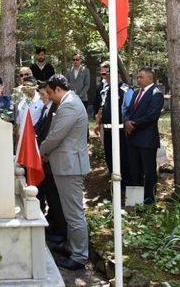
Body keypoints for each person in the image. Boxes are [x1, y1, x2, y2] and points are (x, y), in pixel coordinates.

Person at [40, 74, 90, 270]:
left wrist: (41, 151)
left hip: (70, 166)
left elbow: (55, 136)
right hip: (65, 164)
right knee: (70, 212)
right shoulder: (69, 102)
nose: (50, 97)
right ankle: (72, 246)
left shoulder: (69, 105)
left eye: (51, 93)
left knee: (74, 213)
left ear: (59, 89)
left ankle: (79, 256)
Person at [124, 67, 164, 205]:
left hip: (147, 140)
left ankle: (148, 201)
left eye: (141, 77)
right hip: (133, 139)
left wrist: (133, 124)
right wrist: (126, 121)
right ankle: (134, 202)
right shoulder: (136, 93)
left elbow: (151, 116)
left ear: (149, 78)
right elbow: (128, 110)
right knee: (134, 171)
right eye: (137, 76)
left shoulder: (156, 94)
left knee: (149, 172)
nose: (138, 79)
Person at [35, 82, 67, 245]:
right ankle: (55, 226)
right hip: (46, 159)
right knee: (51, 196)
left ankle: (62, 232)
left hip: (52, 159)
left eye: (45, 94)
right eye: (41, 94)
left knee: (57, 198)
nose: (42, 97)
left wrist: (44, 152)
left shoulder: (58, 108)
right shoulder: (46, 109)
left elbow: (54, 135)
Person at [94, 67, 134, 193]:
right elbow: (102, 107)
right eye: (104, 75)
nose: (105, 76)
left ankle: (125, 187)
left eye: (108, 74)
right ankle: (115, 185)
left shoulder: (126, 89)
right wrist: (98, 122)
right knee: (110, 157)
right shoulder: (105, 90)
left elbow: (130, 108)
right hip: (107, 130)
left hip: (121, 131)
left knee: (123, 159)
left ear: (117, 74)